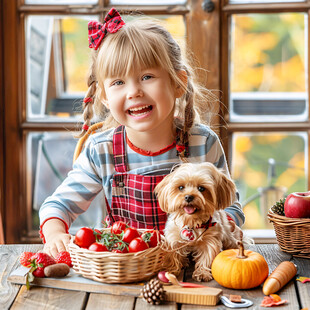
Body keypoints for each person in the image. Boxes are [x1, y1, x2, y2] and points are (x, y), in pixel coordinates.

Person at [39, 8, 245, 258]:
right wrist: (55, 234)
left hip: (190, 269)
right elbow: (58, 205)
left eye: (147, 76)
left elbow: (230, 204)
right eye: (118, 82)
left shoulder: (202, 143)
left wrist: (225, 226)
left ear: (178, 83)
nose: (133, 91)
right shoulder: (101, 151)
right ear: (104, 96)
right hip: (126, 268)